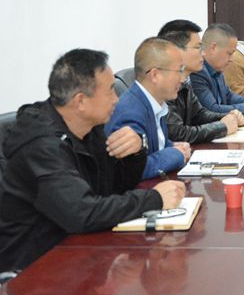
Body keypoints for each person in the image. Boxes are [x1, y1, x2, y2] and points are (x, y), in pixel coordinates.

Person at [0, 49, 185, 273]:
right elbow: (82, 213)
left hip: (78, 252)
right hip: (32, 270)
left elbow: (118, 186)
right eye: (110, 90)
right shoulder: (42, 146)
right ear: (80, 101)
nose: (116, 99)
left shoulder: (91, 129)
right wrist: (154, 199)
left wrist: (137, 151)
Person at [106, 37, 192, 180]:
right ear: (155, 75)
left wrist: (174, 146)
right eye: (179, 70)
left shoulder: (154, 102)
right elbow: (137, 169)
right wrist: (177, 154)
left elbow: (157, 145)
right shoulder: (130, 112)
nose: (182, 79)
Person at [158, 23, 244, 143]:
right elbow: (177, 134)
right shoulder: (162, 83)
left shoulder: (185, 80)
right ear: (176, 50)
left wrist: (229, 116)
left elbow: (199, 114)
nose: (203, 53)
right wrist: (222, 127)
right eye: (198, 47)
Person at [190, 24, 244, 117]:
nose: (232, 59)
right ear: (214, 47)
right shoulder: (197, 71)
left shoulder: (217, 69)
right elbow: (211, 109)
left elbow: (229, 96)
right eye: (229, 53)